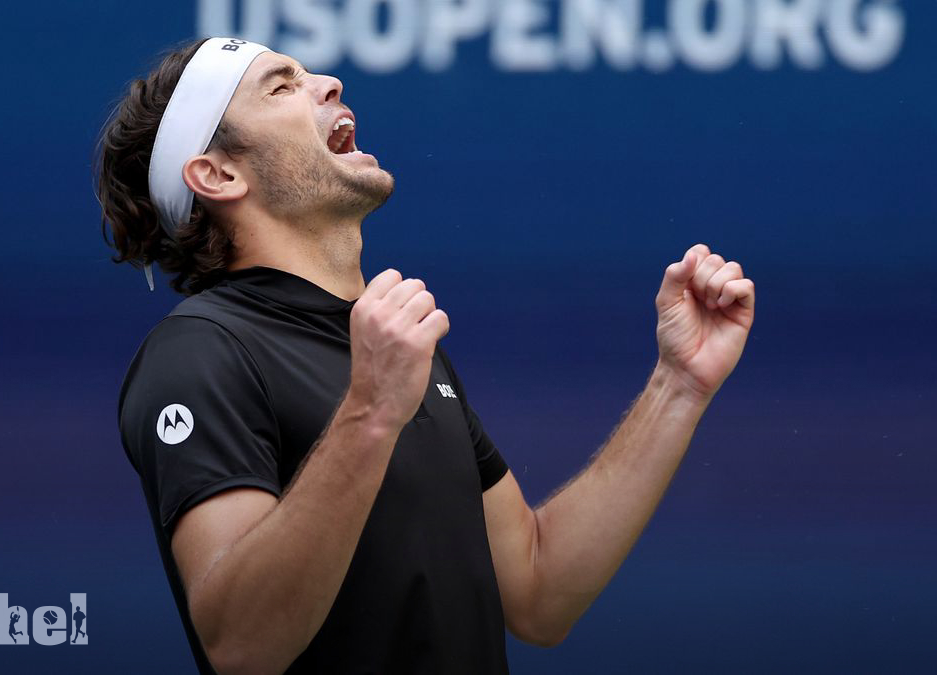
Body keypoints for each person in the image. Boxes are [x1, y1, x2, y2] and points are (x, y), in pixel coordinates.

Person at [97, 37, 755, 675]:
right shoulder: (199, 352)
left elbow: (537, 588)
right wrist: (371, 412)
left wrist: (678, 383)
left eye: (308, 73)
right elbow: (240, 645)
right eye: (282, 86)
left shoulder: (397, 352)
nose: (330, 83)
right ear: (218, 173)